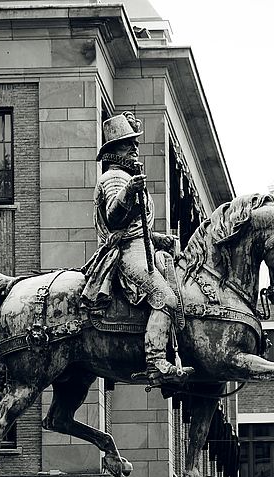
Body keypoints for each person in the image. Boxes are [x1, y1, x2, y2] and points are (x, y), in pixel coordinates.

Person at [81, 112, 193, 385]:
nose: (134, 148)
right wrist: (129, 191)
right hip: (127, 255)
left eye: (135, 143)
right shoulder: (115, 178)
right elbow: (114, 217)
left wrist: (158, 239)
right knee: (166, 299)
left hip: (141, 248)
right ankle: (155, 362)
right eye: (127, 143)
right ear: (114, 150)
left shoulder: (128, 176)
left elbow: (136, 229)